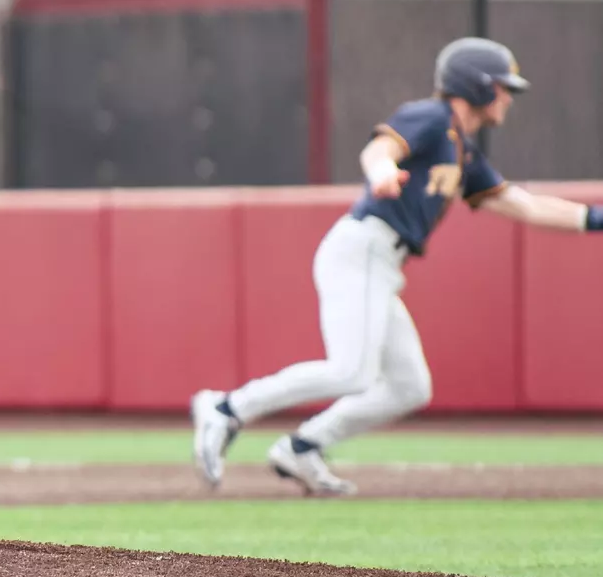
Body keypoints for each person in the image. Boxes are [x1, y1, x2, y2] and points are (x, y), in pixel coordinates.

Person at [192, 37, 603, 496]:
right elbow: (379, 149)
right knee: (352, 371)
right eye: (503, 87)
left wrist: (595, 220)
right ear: (479, 86)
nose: (508, 97)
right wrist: (382, 172)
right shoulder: (431, 117)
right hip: (364, 249)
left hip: (380, 263)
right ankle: (226, 408)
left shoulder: (461, 149)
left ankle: (303, 446)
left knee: (409, 386)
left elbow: (523, 206)